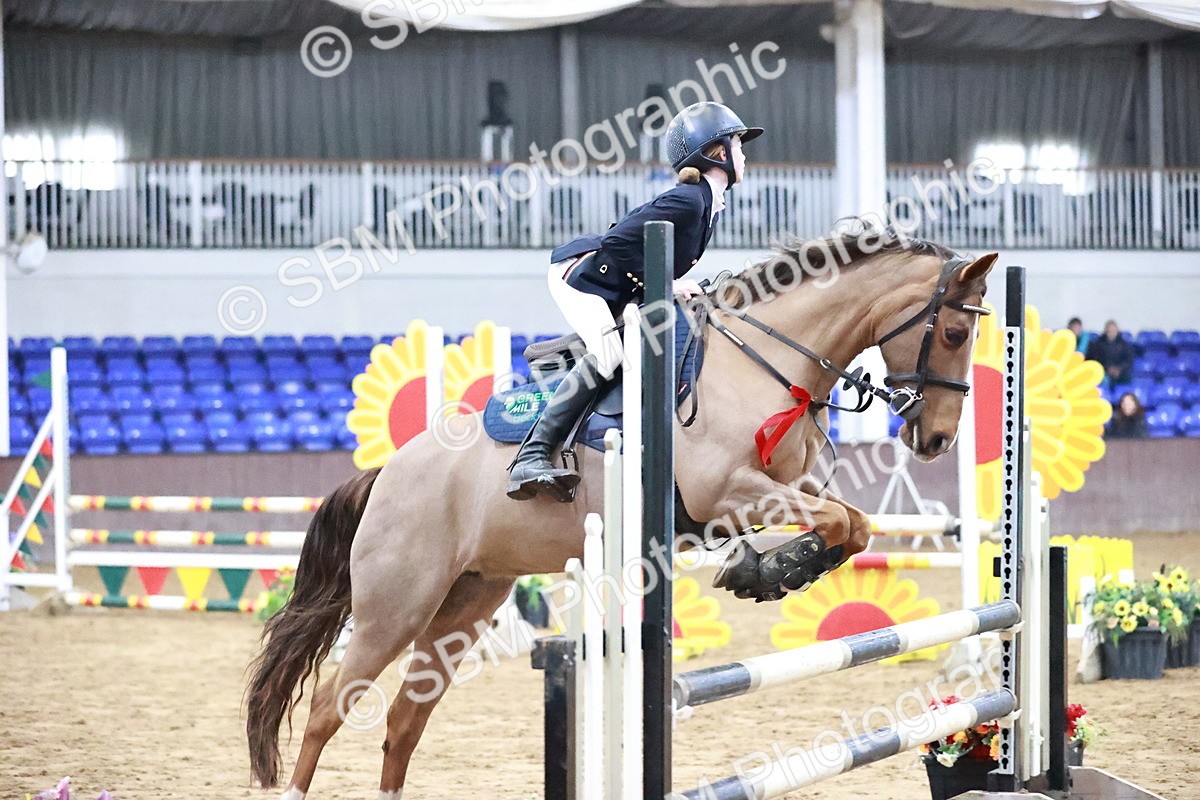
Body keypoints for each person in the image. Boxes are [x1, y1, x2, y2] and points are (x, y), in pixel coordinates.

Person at [506, 101, 763, 501]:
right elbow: (617, 240)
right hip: (582, 277)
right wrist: (666, 282)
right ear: (717, 153)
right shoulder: (690, 200)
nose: (744, 155)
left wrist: (676, 284)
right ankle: (531, 456)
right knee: (608, 356)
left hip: (618, 286)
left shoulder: (707, 203)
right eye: (738, 146)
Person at [1085, 320, 1134, 388]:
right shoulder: (1097, 344)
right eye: (1109, 330)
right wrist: (1107, 368)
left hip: (1120, 373)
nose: (1111, 333)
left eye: (1114, 330)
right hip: (1103, 372)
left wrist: (1119, 369)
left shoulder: (1124, 345)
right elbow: (1093, 360)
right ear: (1105, 330)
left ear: (1118, 331)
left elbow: (1128, 360)